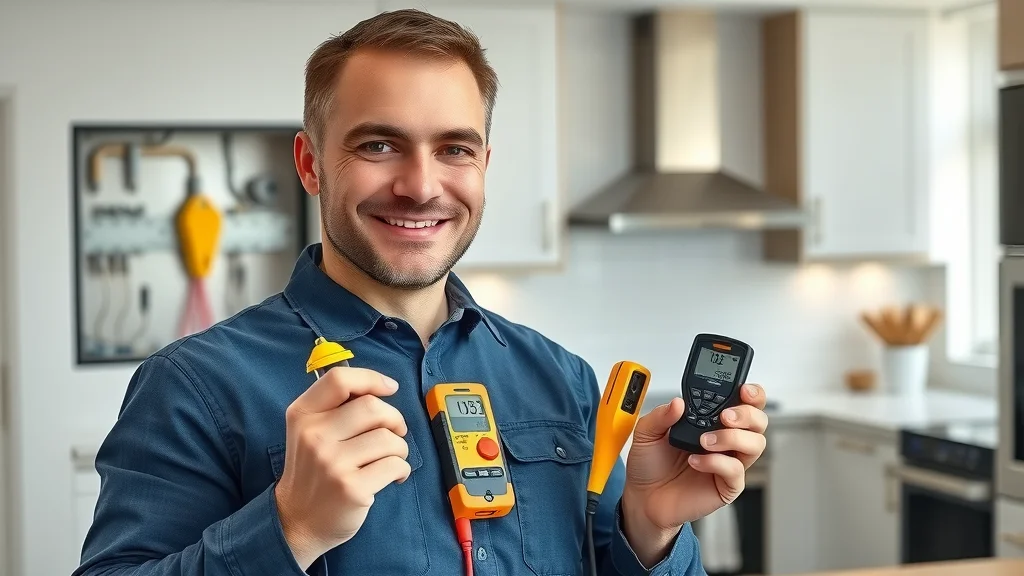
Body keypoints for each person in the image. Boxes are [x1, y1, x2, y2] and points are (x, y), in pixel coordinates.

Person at [73, 9, 768, 576]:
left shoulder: (562, 379)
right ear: (311, 164)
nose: (422, 185)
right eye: (379, 145)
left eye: (455, 149)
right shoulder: (192, 386)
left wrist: (649, 527)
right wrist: (288, 528)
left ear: (484, 166)